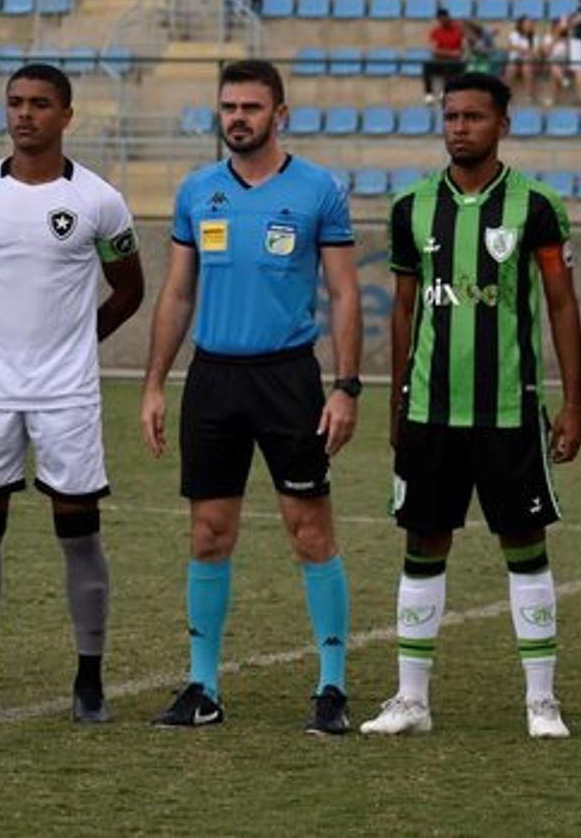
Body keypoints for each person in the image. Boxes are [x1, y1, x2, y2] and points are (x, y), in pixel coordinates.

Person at [359, 72, 581, 741]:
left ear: (502, 125)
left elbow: (562, 303)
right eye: (451, 116)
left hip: (509, 409)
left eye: (474, 117)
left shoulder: (535, 205)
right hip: (430, 408)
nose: (460, 126)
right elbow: (404, 308)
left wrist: (573, 403)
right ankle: (411, 699)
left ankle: (541, 701)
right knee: (423, 541)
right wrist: (397, 396)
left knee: (524, 543)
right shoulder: (411, 207)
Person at [141, 59, 363, 735]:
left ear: (280, 114)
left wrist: (346, 386)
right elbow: (177, 293)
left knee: (310, 530)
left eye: (251, 107)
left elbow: (345, 292)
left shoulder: (319, 189)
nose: (238, 117)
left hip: (288, 378)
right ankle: (202, 685)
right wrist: (154, 382)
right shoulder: (197, 190)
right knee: (209, 533)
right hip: (214, 377)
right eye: (229, 106)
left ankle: (332, 686)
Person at [0, 63, 146, 725]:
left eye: (40, 104)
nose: (25, 114)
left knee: (79, 532)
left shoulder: (100, 201)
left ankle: (89, 680)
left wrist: (76, 341)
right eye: (16, 103)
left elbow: (131, 288)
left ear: (66, 115)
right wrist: (1, 340)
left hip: (66, 394)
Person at [421, 7, 468, 103]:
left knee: (450, 66)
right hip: (440, 59)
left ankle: (445, 92)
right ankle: (428, 93)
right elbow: (434, 50)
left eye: (444, 18)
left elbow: (462, 48)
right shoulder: (435, 32)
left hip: (454, 62)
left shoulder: (458, 31)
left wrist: (449, 53)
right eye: (440, 19)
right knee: (427, 65)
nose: (443, 21)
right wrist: (450, 53)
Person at [503, 17, 541, 104]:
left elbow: (536, 53)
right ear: (521, 25)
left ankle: (529, 96)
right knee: (511, 68)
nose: (529, 26)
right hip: (514, 60)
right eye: (527, 24)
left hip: (528, 61)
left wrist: (530, 52)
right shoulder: (514, 35)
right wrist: (521, 49)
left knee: (526, 67)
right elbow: (509, 47)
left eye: (531, 24)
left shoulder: (535, 37)